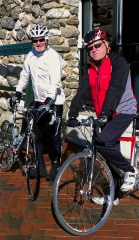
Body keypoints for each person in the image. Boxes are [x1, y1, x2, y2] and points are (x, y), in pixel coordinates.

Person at [67, 28, 137, 205]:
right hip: (105, 114)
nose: (94, 50)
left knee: (102, 141)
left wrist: (105, 114)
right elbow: (82, 92)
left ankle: (131, 171)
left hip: (123, 111)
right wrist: (72, 114)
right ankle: (113, 197)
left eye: (97, 45)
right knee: (109, 153)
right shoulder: (90, 68)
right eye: (90, 48)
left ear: (107, 45)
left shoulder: (118, 63)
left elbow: (115, 90)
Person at [10, 24, 65, 181]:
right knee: (35, 133)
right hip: (39, 101)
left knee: (55, 135)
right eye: (35, 40)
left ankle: (56, 165)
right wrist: (18, 93)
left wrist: (48, 101)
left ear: (46, 40)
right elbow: (24, 76)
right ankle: (41, 167)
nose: (38, 43)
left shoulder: (54, 56)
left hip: (54, 101)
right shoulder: (30, 55)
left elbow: (55, 82)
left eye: (41, 39)